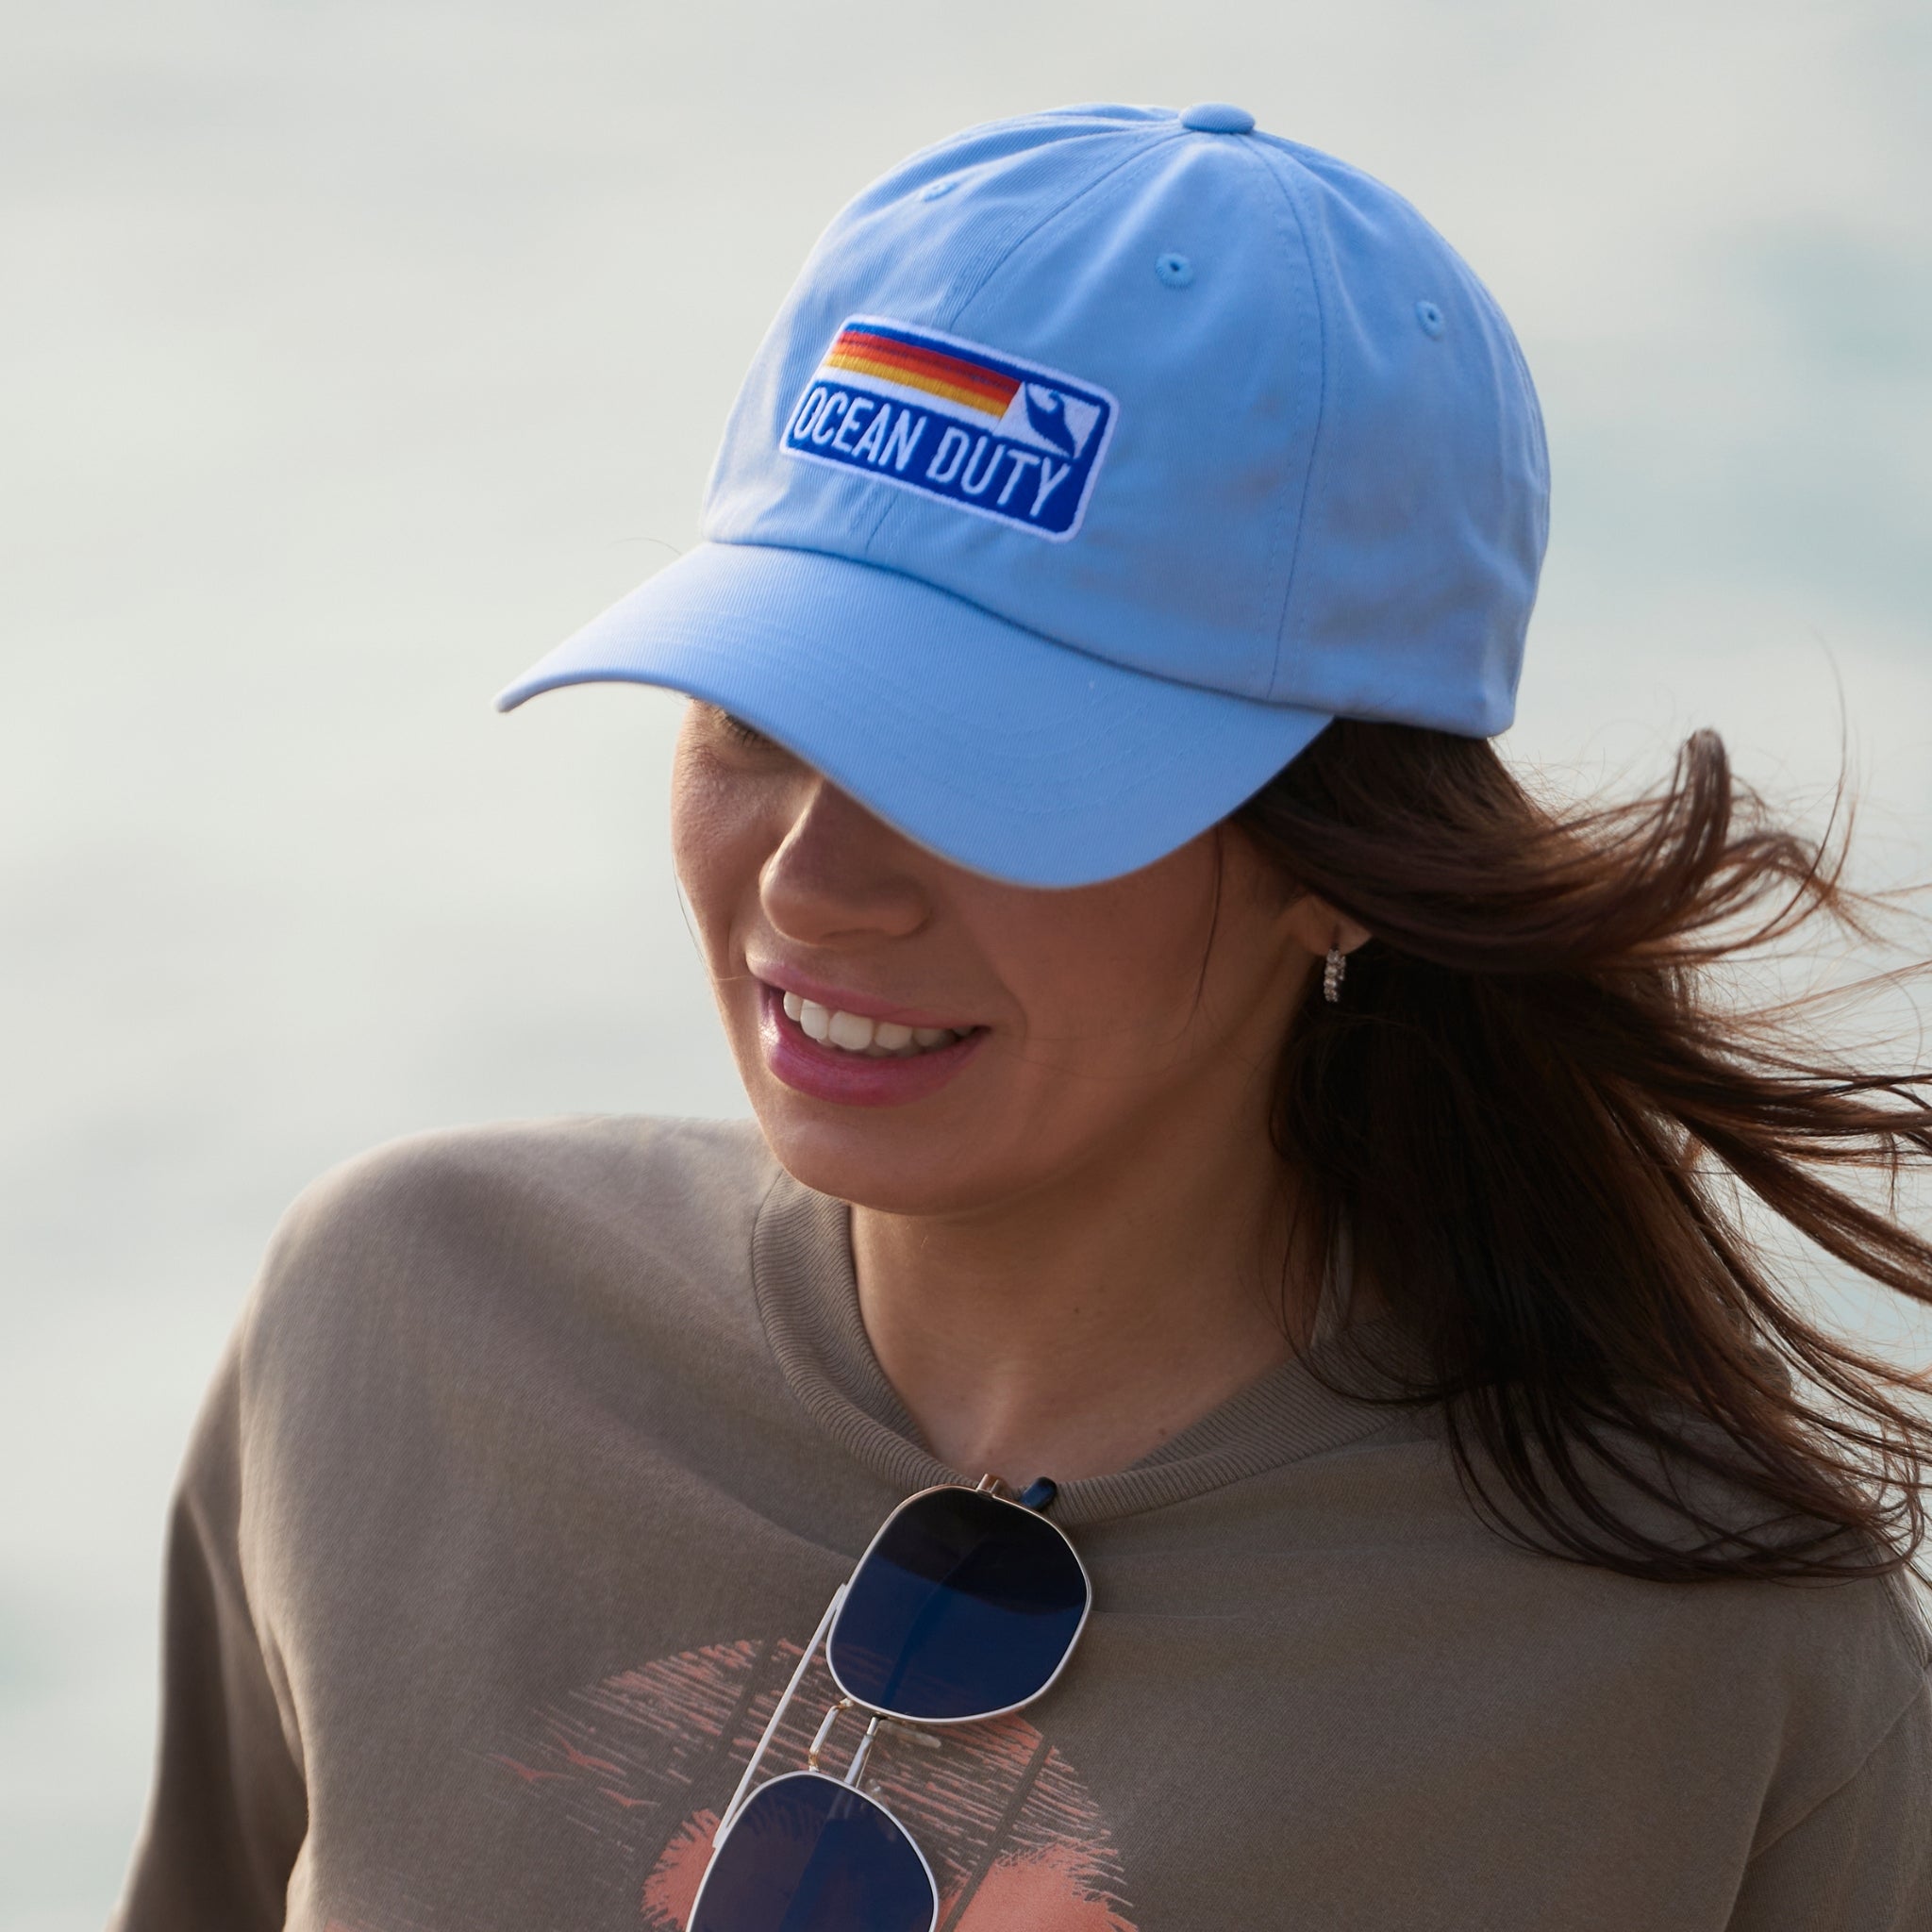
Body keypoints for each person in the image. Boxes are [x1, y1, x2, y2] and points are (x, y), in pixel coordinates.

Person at [113, 103, 1931, 1932]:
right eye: (759, 715)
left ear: (1341, 854)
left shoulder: (1714, 1671)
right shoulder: (400, 1322)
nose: (815, 880)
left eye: (984, 763)